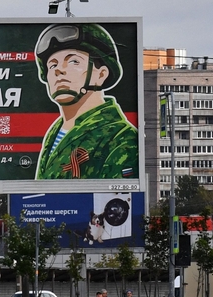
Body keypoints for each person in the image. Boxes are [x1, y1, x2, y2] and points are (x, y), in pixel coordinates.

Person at [33, 23, 139, 180]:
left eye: (73, 61)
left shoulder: (121, 138)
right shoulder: (54, 132)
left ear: (101, 75)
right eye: (52, 64)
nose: (58, 70)